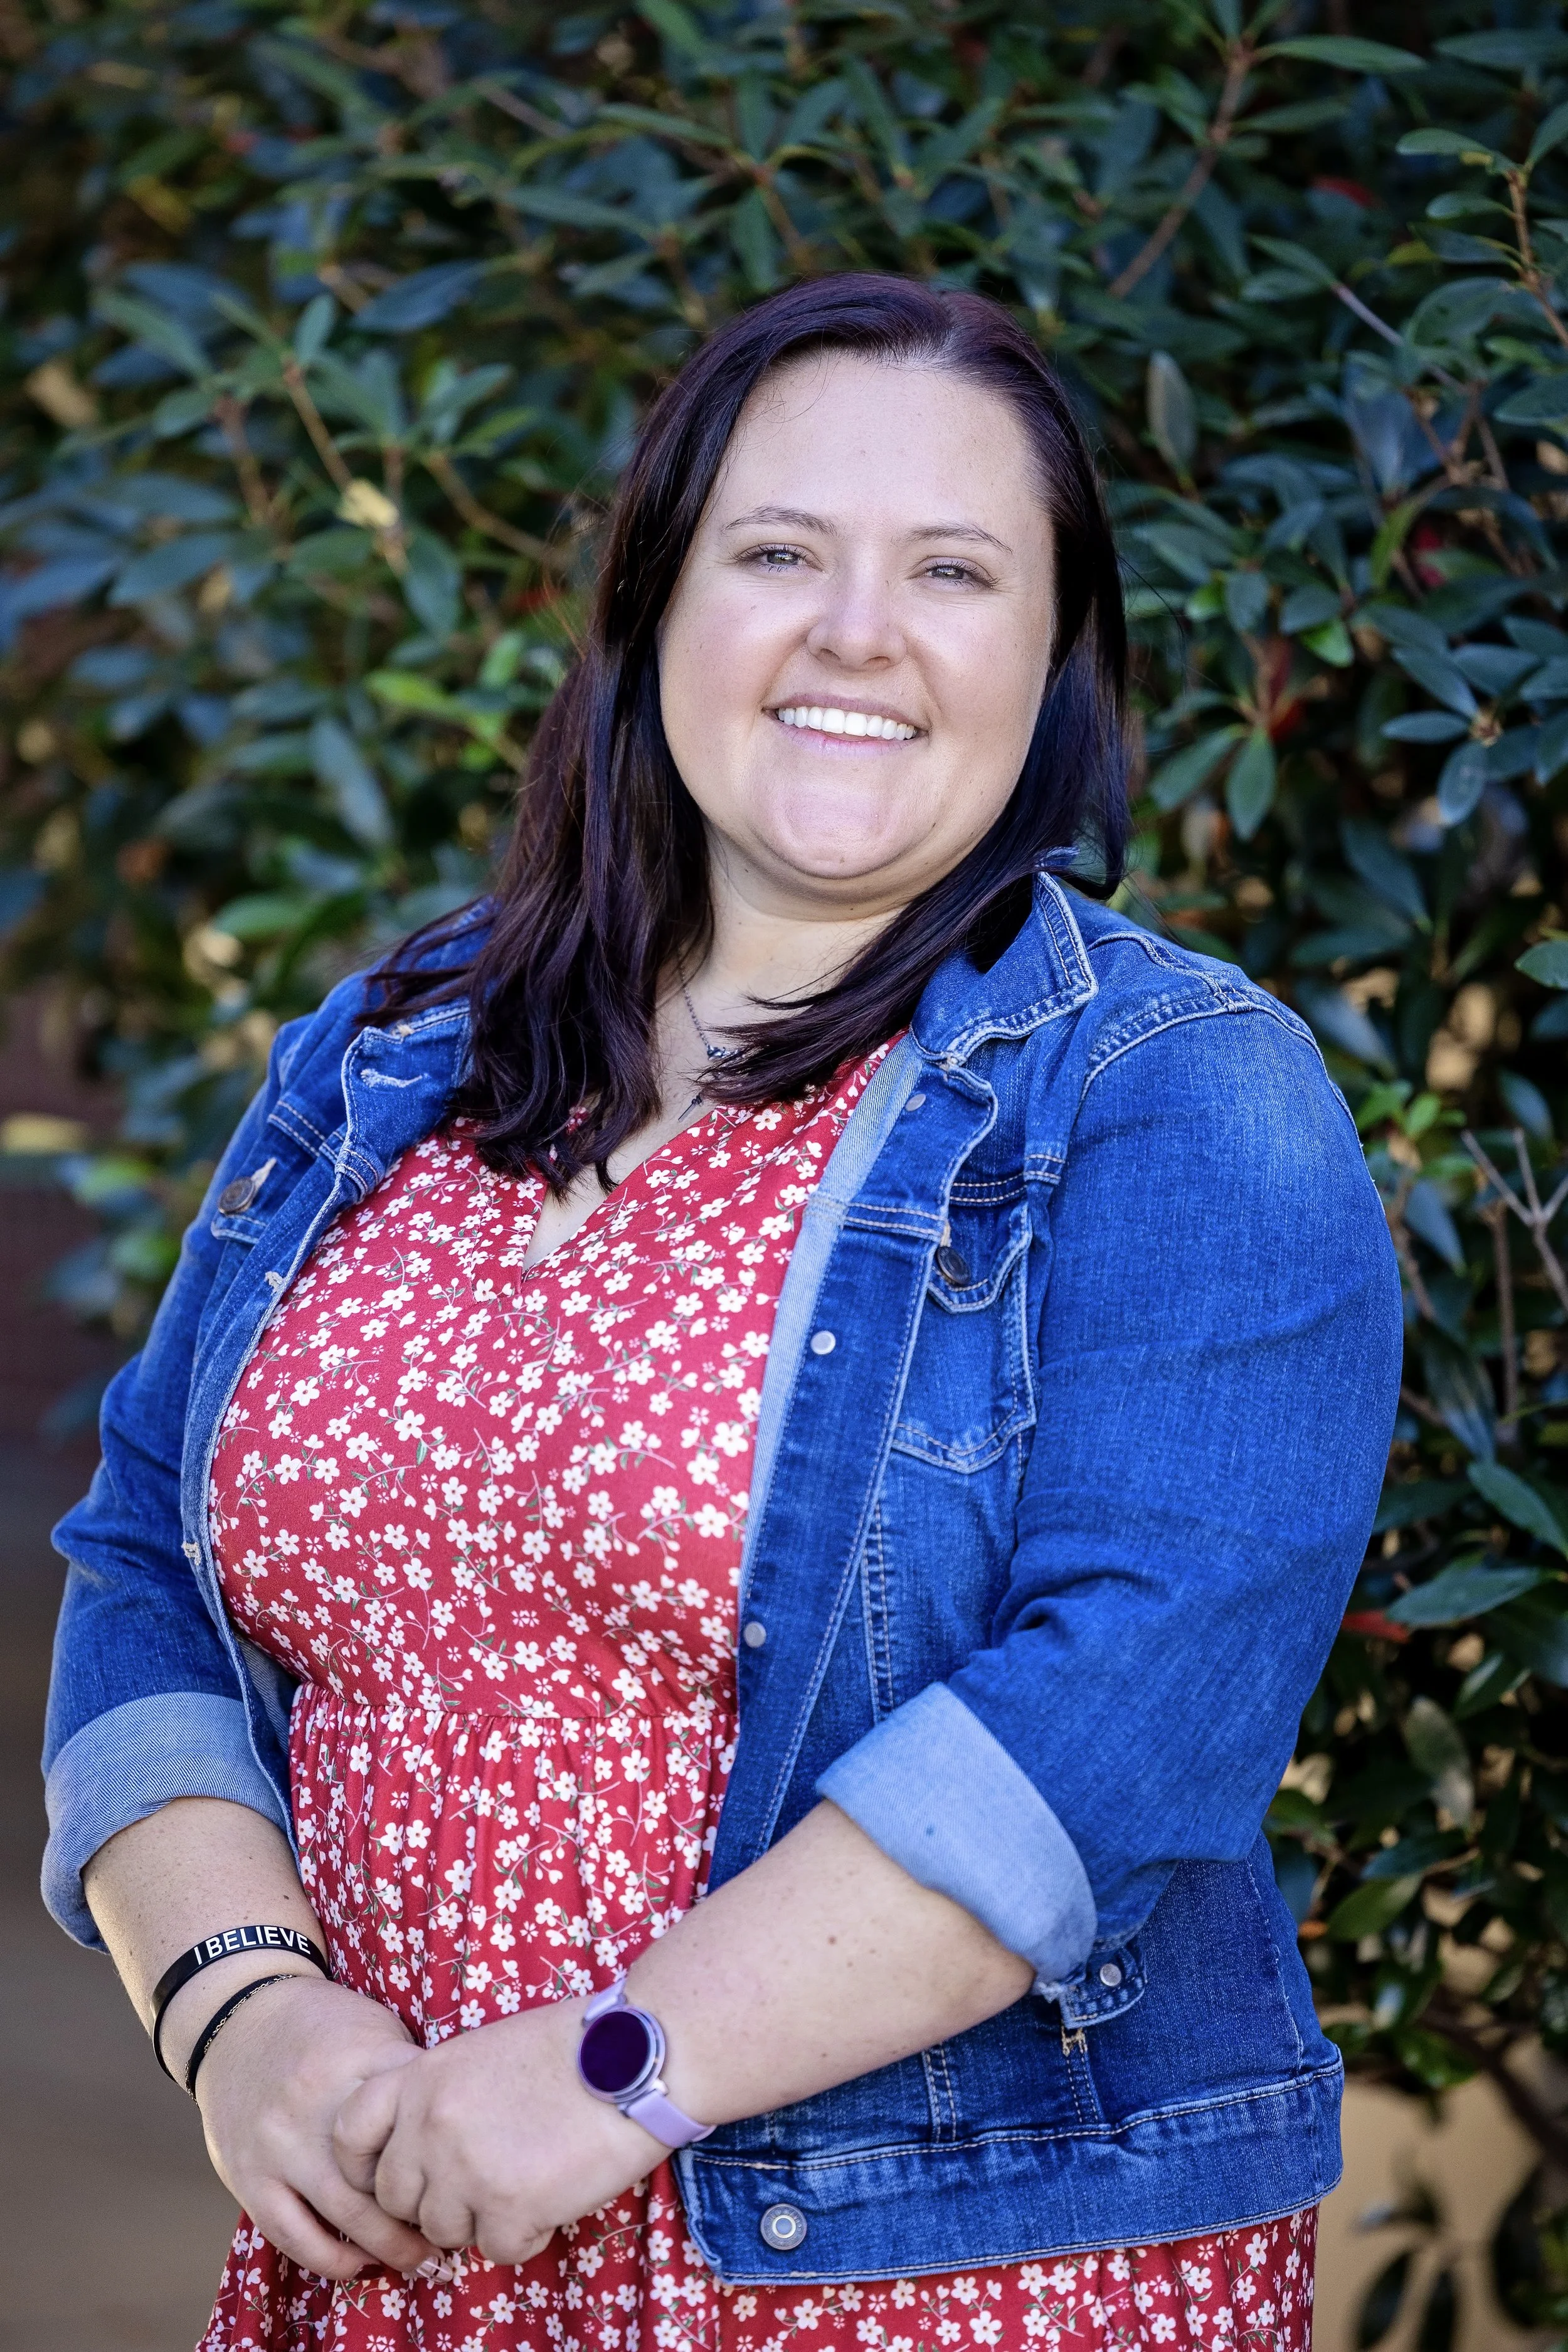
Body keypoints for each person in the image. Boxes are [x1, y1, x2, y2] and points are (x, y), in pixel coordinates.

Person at [43, 273, 1402, 2352]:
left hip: (932, 2280)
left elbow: (1120, 1716)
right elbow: (144, 1556)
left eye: (951, 569)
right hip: (395, 2270)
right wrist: (239, 2006)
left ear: (1049, 662)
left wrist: (608, 2071)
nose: (855, 630)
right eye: (778, 551)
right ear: (654, 602)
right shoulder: (390, 1053)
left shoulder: (1170, 1095)